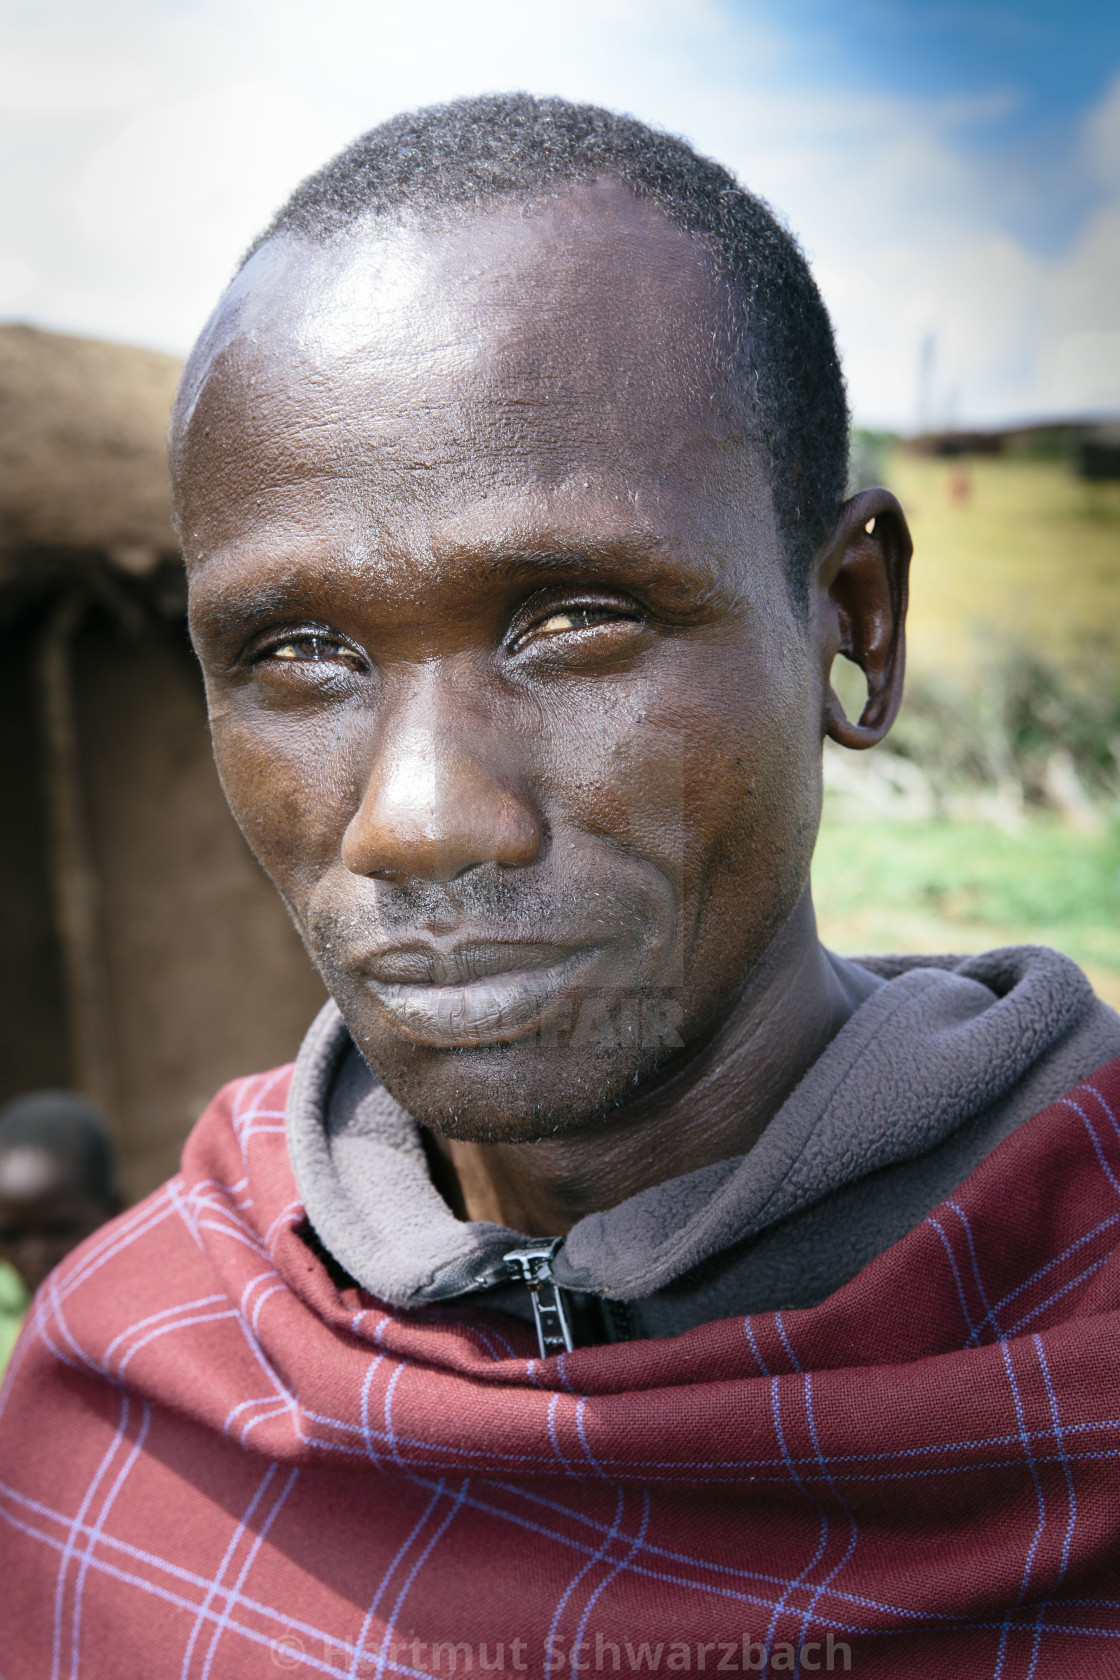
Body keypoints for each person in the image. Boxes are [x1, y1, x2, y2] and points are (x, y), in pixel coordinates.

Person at [2, 95, 1118, 1676]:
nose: (417, 819)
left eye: (577, 618)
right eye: (296, 655)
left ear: (853, 622)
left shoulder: (1082, 1304)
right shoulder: (124, 1417)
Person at [0, 1091, 119, 1375]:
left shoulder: (147, 1302)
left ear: (114, 1211)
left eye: (58, 1230)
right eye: (9, 1236)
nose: (34, 1255)